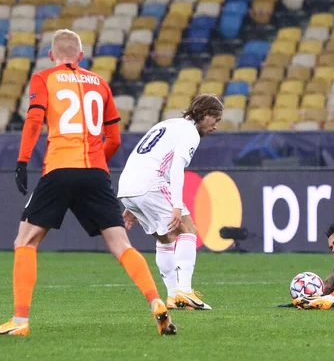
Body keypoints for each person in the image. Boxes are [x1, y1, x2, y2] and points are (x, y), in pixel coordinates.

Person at [0, 29, 176, 336]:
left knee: (24, 242)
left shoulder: (44, 78)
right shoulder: (101, 83)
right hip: (96, 173)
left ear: (52, 55)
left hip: (58, 168)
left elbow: (34, 119)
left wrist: (22, 161)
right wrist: (96, 165)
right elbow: (115, 138)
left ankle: (20, 321)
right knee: (122, 245)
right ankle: (156, 301)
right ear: (81, 56)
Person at [118, 94, 222, 311]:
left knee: (166, 238)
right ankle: (185, 290)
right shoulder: (190, 132)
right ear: (204, 114)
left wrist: (130, 203)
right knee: (188, 230)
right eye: (216, 119)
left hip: (128, 186)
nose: (215, 127)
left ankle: (174, 296)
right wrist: (176, 205)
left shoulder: (168, 124)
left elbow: (143, 156)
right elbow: (176, 168)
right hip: (151, 183)